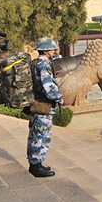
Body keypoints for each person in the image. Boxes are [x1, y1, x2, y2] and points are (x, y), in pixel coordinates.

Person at [27, 37, 63, 178]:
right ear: (47, 50)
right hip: (43, 106)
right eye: (53, 49)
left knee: (36, 134)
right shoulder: (43, 65)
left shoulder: (36, 63)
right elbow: (49, 89)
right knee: (41, 136)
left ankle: (35, 163)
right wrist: (59, 97)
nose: (54, 51)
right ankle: (36, 166)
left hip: (38, 104)